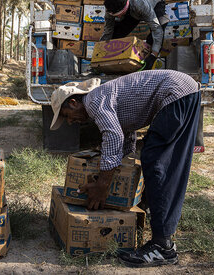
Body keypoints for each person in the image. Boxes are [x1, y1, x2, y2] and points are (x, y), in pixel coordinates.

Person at [49, 70, 201, 267]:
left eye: (66, 116)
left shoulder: (94, 101)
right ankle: (152, 219)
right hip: (185, 90)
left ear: (73, 102)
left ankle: (162, 246)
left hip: (175, 92)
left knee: (155, 162)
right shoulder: (101, 99)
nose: (69, 121)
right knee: (166, 165)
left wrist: (103, 185)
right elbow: (125, 135)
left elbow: (113, 136)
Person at [101, 0, 169, 70]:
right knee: (117, 32)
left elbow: (156, 28)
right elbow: (108, 30)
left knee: (160, 24)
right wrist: (101, 49)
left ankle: (148, 60)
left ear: (124, 9)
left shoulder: (140, 4)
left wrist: (154, 54)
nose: (118, 17)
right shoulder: (110, 8)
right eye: (115, 16)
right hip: (132, 5)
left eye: (119, 15)